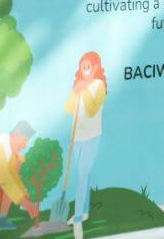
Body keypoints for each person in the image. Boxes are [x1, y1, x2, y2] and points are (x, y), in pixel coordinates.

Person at [63, 51, 108, 224]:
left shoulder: (99, 85)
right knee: (84, 174)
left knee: (83, 174)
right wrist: (76, 91)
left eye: (89, 67)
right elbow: (68, 108)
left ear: (95, 67)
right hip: (77, 137)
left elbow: (91, 110)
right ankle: (86, 211)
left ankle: (79, 214)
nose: (86, 70)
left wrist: (86, 88)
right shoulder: (78, 85)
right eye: (83, 67)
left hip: (92, 135)